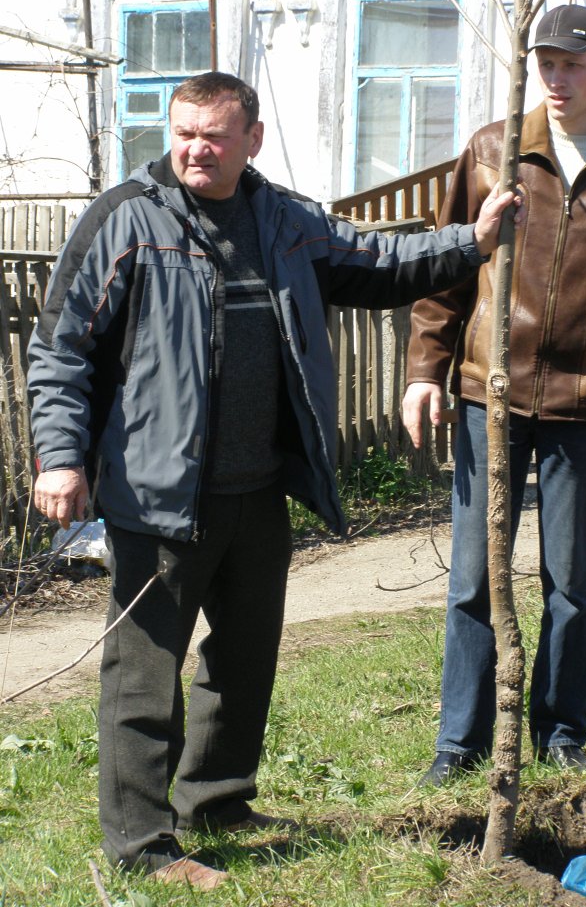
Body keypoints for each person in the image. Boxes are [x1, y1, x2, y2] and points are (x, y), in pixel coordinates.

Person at [27, 71, 520, 889]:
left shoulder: (282, 219)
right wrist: (62, 457)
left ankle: (215, 801)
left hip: (256, 490)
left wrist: (470, 241)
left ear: (252, 138)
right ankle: (142, 848)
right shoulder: (124, 221)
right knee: (143, 678)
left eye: (215, 135)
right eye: (184, 132)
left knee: (245, 658)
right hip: (156, 494)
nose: (195, 148)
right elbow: (60, 349)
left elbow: (374, 260)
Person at [402, 4, 586, 787]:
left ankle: (562, 734)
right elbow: (447, 271)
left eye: (573, 64)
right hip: (486, 399)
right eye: (546, 64)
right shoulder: (495, 151)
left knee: (571, 583)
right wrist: (424, 372)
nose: (557, 79)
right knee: (473, 579)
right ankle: (457, 745)